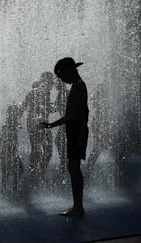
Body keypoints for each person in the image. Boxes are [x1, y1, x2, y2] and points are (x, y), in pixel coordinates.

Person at [40, 57, 88, 217]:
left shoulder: (79, 86)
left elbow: (83, 113)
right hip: (74, 129)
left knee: (74, 168)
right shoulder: (76, 86)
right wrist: (50, 125)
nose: (61, 80)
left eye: (61, 76)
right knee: (72, 168)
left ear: (68, 71)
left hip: (77, 130)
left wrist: (81, 135)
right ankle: (77, 206)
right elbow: (70, 115)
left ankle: (78, 207)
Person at [23, 72, 53, 180]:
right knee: (39, 149)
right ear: (46, 82)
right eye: (51, 82)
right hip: (37, 124)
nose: (53, 85)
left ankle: (39, 171)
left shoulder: (46, 93)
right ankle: (36, 172)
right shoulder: (33, 93)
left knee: (43, 150)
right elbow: (24, 106)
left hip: (41, 124)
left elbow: (48, 108)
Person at [0, 105, 23, 195]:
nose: (16, 115)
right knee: (13, 171)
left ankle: (6, 190)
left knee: (11, 171)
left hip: (7, 151)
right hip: (6, 151)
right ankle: (10, 191)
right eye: (15, 113)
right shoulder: (8, 125)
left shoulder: (11, 124)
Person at [53, 78, 68, 176]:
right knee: (60, 141)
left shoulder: (64, 93)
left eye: (57, 83)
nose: (55, 85)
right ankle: (64, 161)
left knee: (59, 141)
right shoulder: (63, 92)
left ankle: (64, 162)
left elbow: (62, 107)